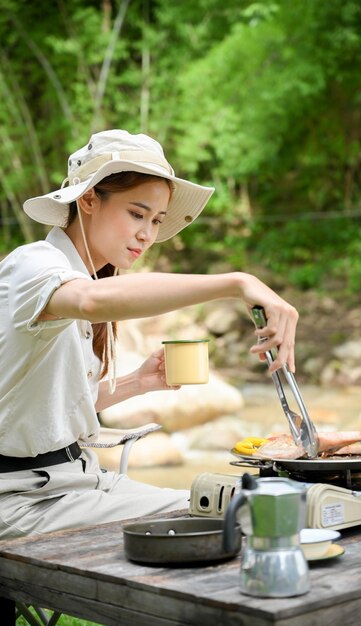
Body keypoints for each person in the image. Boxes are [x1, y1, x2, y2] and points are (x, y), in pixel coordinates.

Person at [0, 129, 298, 539]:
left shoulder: (80, 279)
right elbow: (90, 301)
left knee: (238, 501)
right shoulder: (34, 265)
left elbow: (51, 410)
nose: (147, 234)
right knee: (236, 513)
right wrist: (236, 282)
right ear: (88, 200)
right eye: (137, 214)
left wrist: (139, 382)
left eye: (156, 220)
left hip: (78, 481)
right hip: (24, 500)